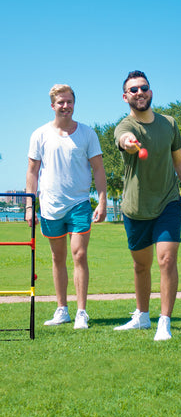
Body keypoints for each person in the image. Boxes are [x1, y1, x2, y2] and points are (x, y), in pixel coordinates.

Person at [114, 70, 181, 341]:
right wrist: (129, 144)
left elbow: (179, 161)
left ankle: (164, 321)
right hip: (136, 207)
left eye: (144, 88)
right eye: (134, 90)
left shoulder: (169, 123)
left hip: (169, 202)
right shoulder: (125, 126)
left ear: (151, 91)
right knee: (141, 266)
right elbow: (123, 140)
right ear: (125, 97)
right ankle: (141, 316)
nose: (139, 92)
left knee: (166, 259)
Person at [26, 84, 107, 329]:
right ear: (53, 105)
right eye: (61, 102)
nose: (65, 106)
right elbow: (32, 172)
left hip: (79, 203)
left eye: (69, 101)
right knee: (57, 257)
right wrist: (31, 206)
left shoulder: (87, 134)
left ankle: (82, 312)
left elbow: (99, 169)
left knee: (79, 254)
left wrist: (102, 200)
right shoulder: (39, 134)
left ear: (74, 103)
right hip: (50, 206)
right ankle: (62, 309)